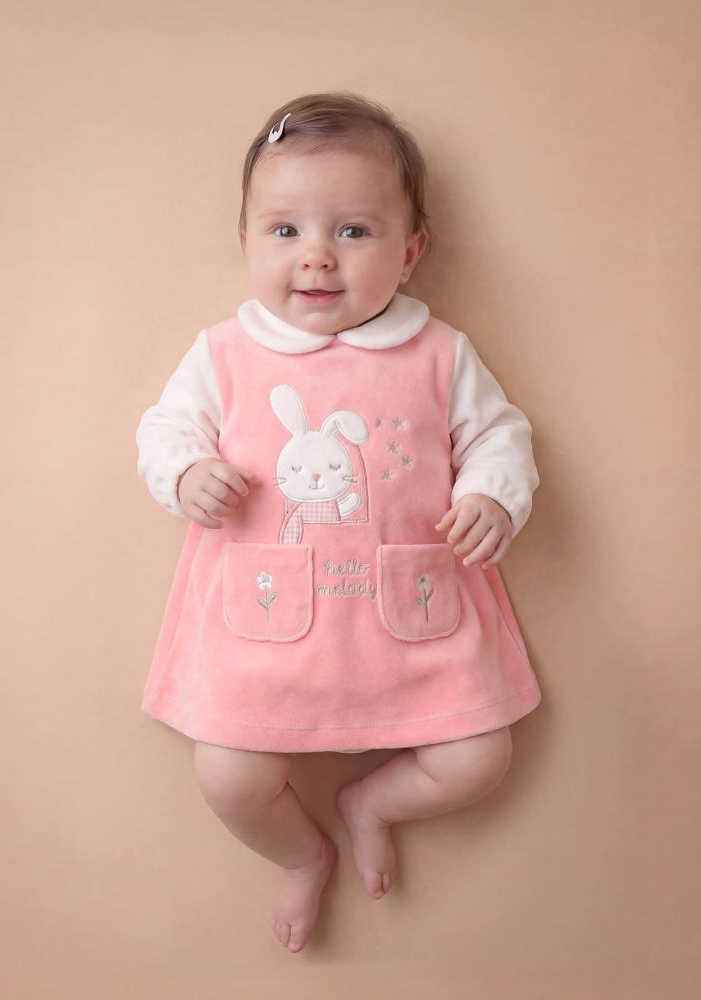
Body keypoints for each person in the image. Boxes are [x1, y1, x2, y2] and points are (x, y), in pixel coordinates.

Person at [136, 91, 542, 954]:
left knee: (478, 759)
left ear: (410, 250)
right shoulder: (224, 355)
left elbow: (497, 434)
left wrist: (492, 495)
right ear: (246, 241)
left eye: (353, 231)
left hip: (409, 622)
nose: (316, 256)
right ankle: (301, 854)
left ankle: (374, 802)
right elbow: (163, 429)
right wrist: (185, 472)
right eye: (284, 231)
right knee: (229, 776)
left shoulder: (438, 352)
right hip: (265, 628)